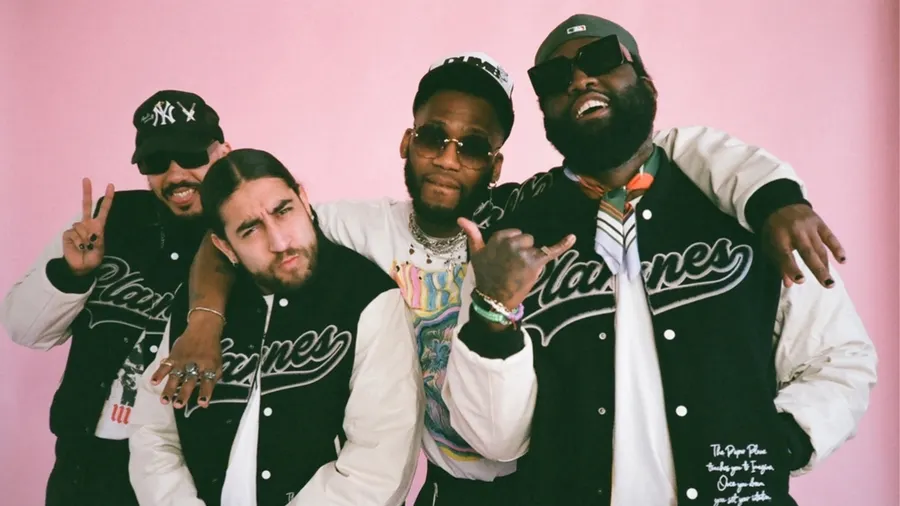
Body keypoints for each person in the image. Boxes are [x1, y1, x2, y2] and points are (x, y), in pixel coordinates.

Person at [151, 53, 847, 506]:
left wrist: (776, 196)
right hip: (433, 481)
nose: (448, 158)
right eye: (434, 136)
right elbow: (238, 227)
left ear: (497, 163)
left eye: (474, 146)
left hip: (531, 475)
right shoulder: (351, 226)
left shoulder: (527, 215)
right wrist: (205, 321)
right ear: (408, 140)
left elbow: (659, 147)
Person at [444, 14, 878, 506]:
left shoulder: (745, 208)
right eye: (553, 79)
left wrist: (780, 442)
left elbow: (839, 357)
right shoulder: (507, 244)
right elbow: (495, 442)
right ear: (544, 114)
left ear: (647, 84)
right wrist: (493, 311)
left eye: (601, 59)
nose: (580, 80)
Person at [127, 148, 423, 506]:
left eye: (283, 211)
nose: (280, 242)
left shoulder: (366, 296)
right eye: (250, 230)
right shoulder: (197, 308)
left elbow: (376, 466)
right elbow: (154, 434)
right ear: (225, 246)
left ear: (304, 200)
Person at [0, 90, 231, 506]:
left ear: (222, 153)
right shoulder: (105, 221)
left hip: (187, 473)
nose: (176, 174)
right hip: (84, 466)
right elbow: (23, 330)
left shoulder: (247, 234)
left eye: (190, 155)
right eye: (156, 162)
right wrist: (72, 275)